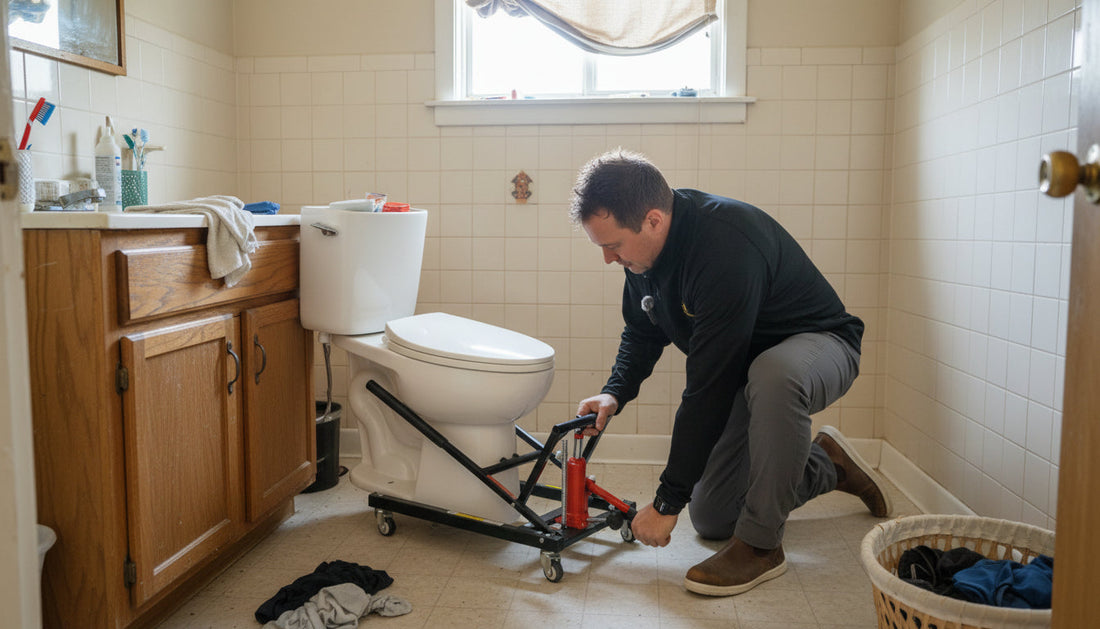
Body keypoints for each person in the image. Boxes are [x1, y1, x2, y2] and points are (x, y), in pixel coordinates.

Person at [571, 149, 891, 597]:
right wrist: (614, 392)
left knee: (774, 374)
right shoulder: (642, 258)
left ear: (654, 220)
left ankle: (762, 549)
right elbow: (643, 331)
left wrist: (666, 501)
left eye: (612, 245)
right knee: (714, 518)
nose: (608, 259)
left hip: (821, 346)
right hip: (747, 371)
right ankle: (826, 466)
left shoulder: (723, 244)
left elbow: (708, 387)